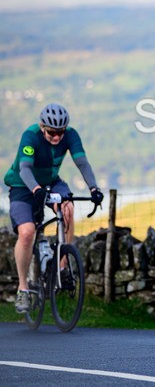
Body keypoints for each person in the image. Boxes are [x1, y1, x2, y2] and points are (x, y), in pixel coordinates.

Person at [4, 103, 104, 313]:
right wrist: (36, 190)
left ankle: (62, 266)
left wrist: (94, 188)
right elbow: (25, 169)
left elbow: (82, 163)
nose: (57, 137)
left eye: (60, 132)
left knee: (67, 209)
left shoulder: (71, 135)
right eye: (52, 133)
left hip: (50, 182)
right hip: (23, 185)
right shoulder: (30, 136)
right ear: (42, 127)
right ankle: (23, 289)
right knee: (27, 232)